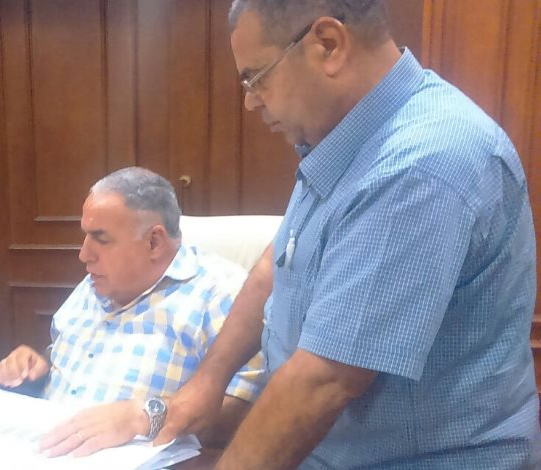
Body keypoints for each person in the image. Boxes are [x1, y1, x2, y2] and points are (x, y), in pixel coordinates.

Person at [153, 1, 541, 468]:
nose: (251, 101)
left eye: (257, 78)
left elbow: (324, 380)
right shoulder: (344, 139)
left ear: (328, 44)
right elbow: (280, 262)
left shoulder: (420, 164)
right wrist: (209, 379)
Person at [0, 167, 265, 457]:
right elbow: (65, 355)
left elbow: (246, 412)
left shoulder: (224, 295)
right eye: (86, 236)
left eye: (101, 238)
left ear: (154, 242)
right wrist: (36, 366)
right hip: (44, 449)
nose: (84, 254)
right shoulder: (94, 283)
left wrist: (147, 418)